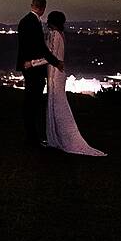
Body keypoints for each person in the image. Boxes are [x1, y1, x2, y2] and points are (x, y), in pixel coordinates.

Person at [42, 11, 107, 156]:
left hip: (54, 72)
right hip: (58, 73)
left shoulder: (53, 34)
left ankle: (59, 139)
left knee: (56, 106)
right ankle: (58, 139)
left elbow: (50, 56)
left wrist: (31, 63)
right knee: (58, 105)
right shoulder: (60, 34)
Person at [17, 0, 63, 148]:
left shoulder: (25, 21)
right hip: (32, 68)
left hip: (28, 66)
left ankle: (31, 136)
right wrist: (55, 62)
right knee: (32, 102)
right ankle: (32, 138)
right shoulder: (34, 23)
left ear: (32, 5)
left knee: (31, 101)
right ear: (43, 8)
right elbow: (40, 47)